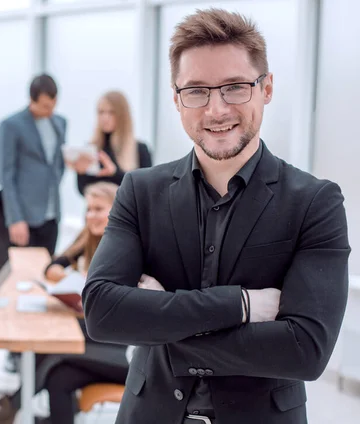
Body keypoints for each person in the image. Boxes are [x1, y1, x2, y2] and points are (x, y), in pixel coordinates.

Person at [82, 8, 350, 424]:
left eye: (234, 87)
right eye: (197, 91)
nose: (216, 109)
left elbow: (305, 350)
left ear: (267, 88)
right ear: (176, 98)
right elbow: (101, 312)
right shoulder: (140, 191)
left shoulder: (315, 203)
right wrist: (241, 305)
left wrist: (162, 323)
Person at [0, 182, 144, 424]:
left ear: (117, 209)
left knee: (54, 350)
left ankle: (5, 410)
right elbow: (54, 265)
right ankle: (26, 414)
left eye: (99, 209)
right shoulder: (90, 238)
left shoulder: (131, 249)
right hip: (99, 336)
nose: (91, 216)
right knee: (59, 378)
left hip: (127, 353)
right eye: (88, 209)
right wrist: (73, 279)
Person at [0, 74, 67, 257]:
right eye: (44, 106)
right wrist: (15, 218)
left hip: (52, 213)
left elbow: (57, 163)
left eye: (52, 105)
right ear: (31, 100)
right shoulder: (11, 126)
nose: (49, 111)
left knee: (47, 268)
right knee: (25, 274)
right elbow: (6, 176)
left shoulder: (60, 122)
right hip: (25, 216)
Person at [66, 91, 152, 195]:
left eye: (111, 112)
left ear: (122, 115)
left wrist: (114, 173)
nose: (105, 117)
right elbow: (83, 191)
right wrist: (81, 172)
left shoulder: (140, 150)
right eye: (101, 112)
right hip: (97, 209)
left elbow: (144, 190)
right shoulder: (91, 149)